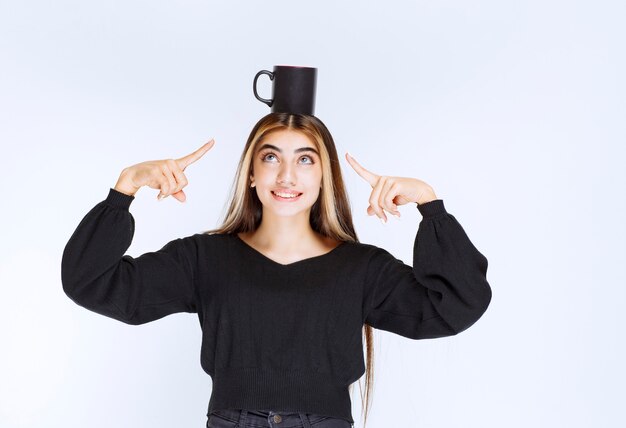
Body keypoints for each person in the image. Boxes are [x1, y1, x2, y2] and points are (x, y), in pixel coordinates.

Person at [61, 112, 492, 428]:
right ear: (251, 172)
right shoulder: (204, 259)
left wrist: (430, 207)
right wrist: (125, 189)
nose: (287, 175)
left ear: (325, 176)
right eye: (271, 157)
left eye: (305, 159)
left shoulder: (363, 269)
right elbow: (90, 281)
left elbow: (457, 305)